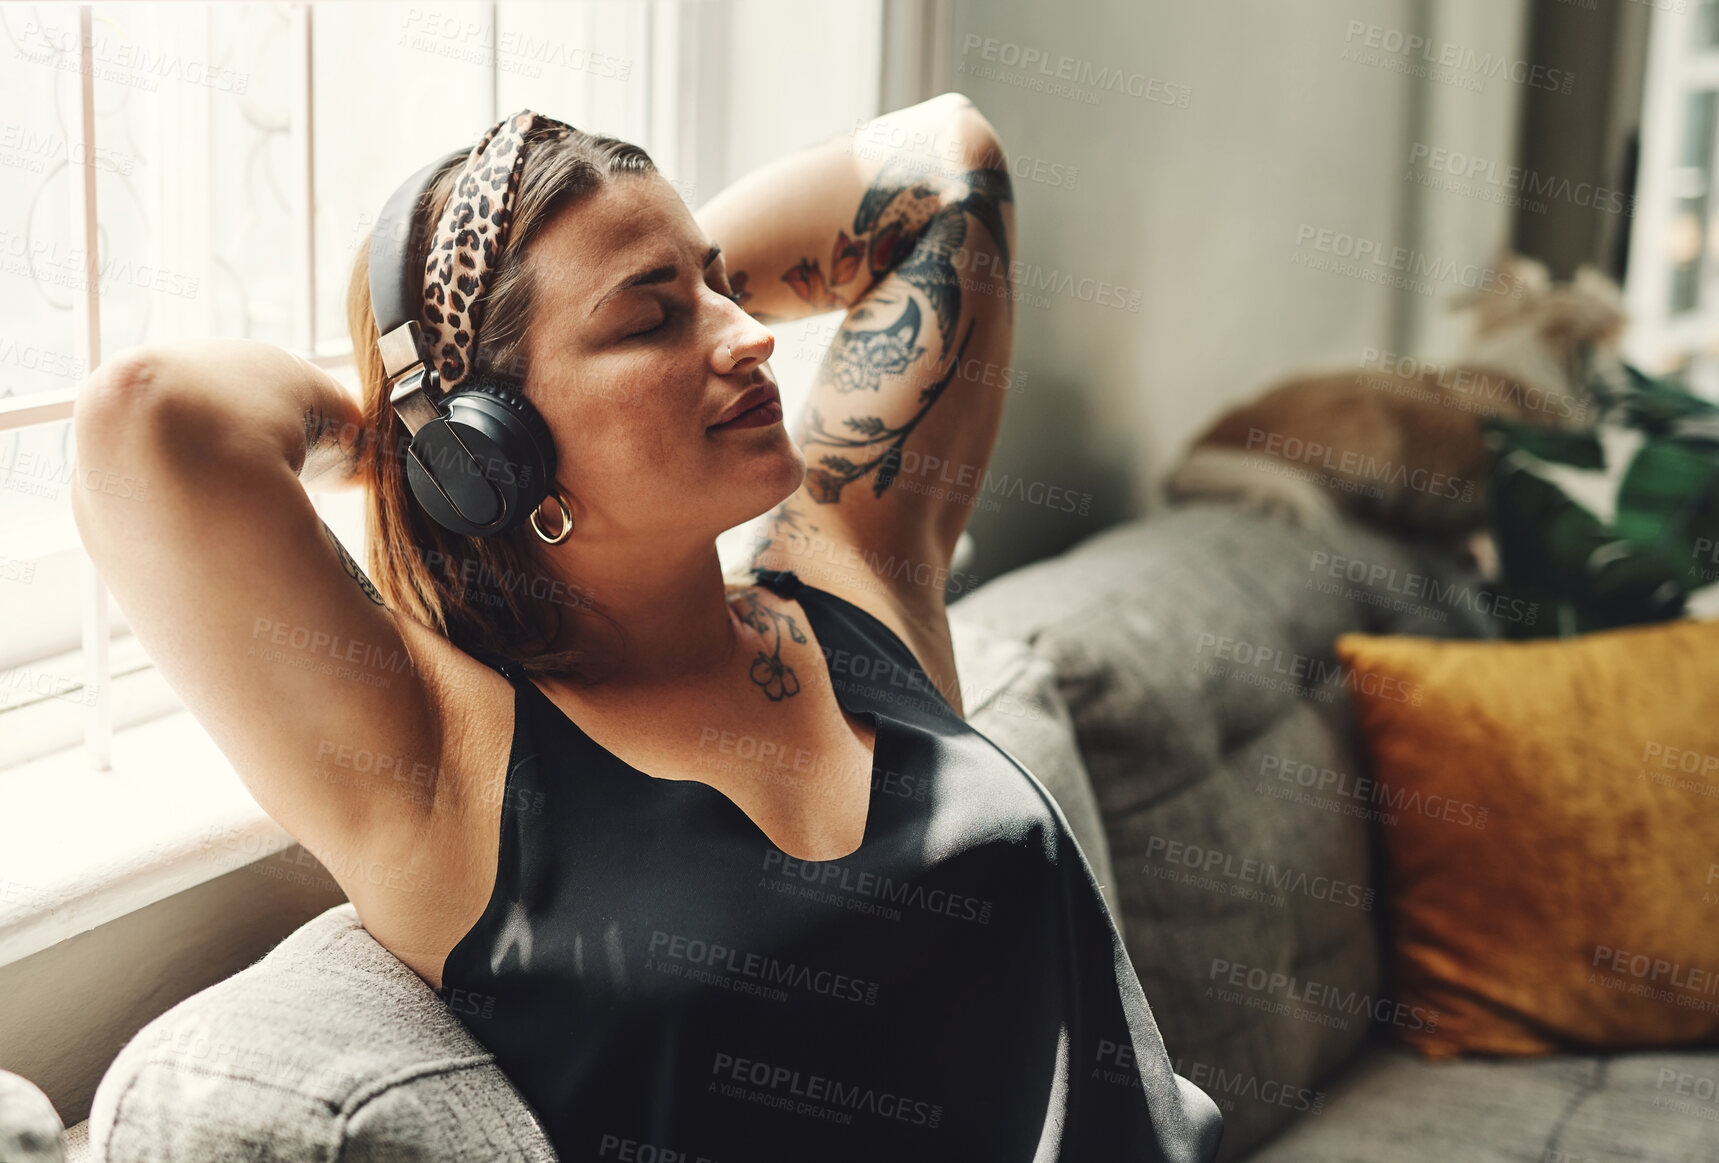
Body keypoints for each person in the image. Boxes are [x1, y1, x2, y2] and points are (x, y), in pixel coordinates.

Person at [70, 94, 1221, 1161]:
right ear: (495, 439)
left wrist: (653, 269)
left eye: (724, 286)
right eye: (654, 317)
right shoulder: (443, 766)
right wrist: (425, 431)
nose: (749, 334)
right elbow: (152, 417)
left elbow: (946, 165)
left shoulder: (852, 581)